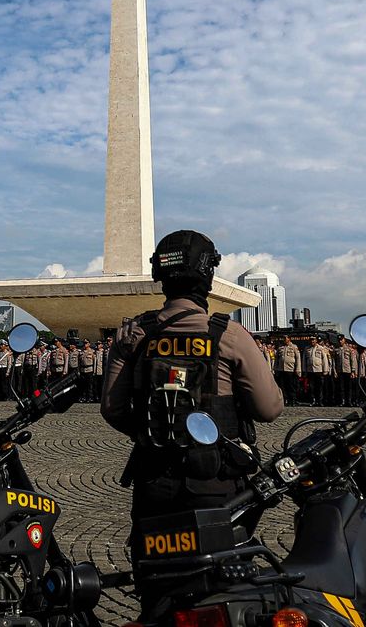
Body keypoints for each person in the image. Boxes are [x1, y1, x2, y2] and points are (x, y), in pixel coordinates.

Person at [99, 230, 283, 616]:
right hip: (217, 485)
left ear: (160, 275)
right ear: (207, 276)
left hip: (154, 483)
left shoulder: (134, 336)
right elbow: (269, 408)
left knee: (157, 584)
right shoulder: (228, 335)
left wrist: (151, 431)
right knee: (223, 589)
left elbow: (113, 409)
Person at [274, 339, 301, 406]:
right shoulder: (280, 348)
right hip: (281, 369)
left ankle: (292, 400)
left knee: (291, 386)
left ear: (289, 339)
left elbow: (298, 358)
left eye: (286, 339)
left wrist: (298, 369)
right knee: (283, 386)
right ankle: (285, 400)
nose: (284, 340)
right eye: (284, 339)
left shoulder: (294, 347)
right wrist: (275, 369)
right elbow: (277, 359)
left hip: (290, 369)